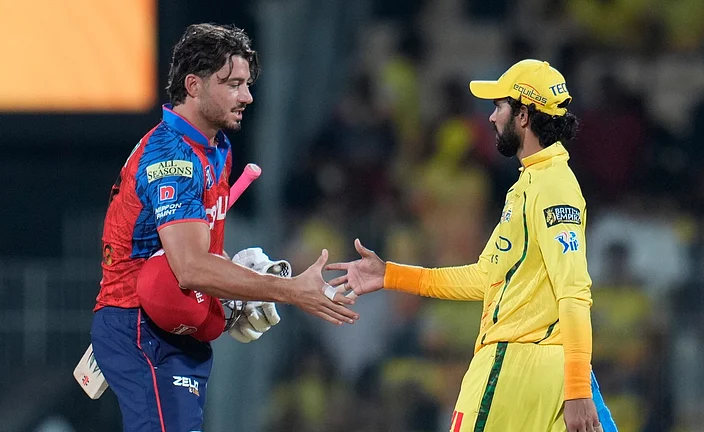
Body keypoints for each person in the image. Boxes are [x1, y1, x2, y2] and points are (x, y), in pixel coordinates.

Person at [90, 23, 358, 432]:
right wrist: (289, 291)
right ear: (193, 85)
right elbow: (191, 269)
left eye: (247, 84)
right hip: (141, 326)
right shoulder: (172, 159)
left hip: (175, 323)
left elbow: (198, 255)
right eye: (232, 84)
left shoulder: (216, 148)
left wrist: (234, 286)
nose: (247, 96)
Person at [327, 59, 618, 432]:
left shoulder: (551, 187)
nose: (492, 118)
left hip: (514, 370)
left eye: (499, 107)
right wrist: (391, 275)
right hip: (549, 369)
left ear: (525, 115)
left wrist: (577, 391)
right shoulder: (533, 183)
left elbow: (575, 292)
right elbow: (485, 278)